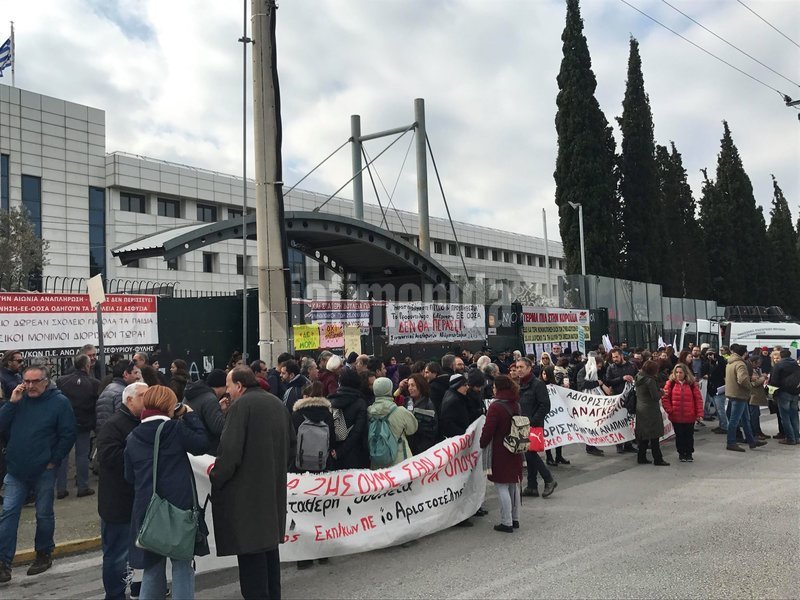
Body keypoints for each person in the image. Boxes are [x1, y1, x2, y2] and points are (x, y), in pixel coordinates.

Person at [210, 367, 293, 600]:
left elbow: (230, 453)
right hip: (272, 491)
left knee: (251, 562)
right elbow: (291, 445)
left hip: (246, 497)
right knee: (269, 555)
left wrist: (216, 476)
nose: (226, 391)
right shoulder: (276, 403)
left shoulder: (241, 407)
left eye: (228, 386)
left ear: (239, 385)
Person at [124, 385, 208, 600]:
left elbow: (129, 476)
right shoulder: (174, 429)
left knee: (152, 568)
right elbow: (201, 444)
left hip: (147, 510)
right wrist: (189, 415)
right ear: (170, 405)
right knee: (182, 566)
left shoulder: (133, 437)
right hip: (177, 508)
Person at [0, 366, 76, 582]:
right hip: (16, 469)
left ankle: (43, 553)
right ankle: (3, 562)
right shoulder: (18, 400)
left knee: (43, 514)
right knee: (9, 513)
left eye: (35, 381)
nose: (30, 386)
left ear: (46, 381)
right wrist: (11, 403)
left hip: (44, 469)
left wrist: (54, 459)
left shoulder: (59, 402)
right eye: (27, 381)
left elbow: (68, 433)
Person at [96, 381, 147, 600]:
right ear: (129, 400)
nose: (149, 399)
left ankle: (140, 588)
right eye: (144, 396)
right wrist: (138, 456)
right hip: (118, 504)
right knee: (117, 555)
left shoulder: (145, 422)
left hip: (139, 500)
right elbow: (108, 459)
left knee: (142, 551)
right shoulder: (113, 425)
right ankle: (115, 595)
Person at [479, 375, 523, 533]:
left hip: (500, 450)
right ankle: (515, 518)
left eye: (494, 386)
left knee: (501, 485)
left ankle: (506, 521)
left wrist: (482, 443)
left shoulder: (496, 406)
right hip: (514, 448)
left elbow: (489, 429)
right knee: (513, 483)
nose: (492, 389)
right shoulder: (515, 404)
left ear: (498, 388)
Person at [55, 353, 100, 499]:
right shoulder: (93, 383)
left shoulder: (62, 381)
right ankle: (83, 486)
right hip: (84, 423)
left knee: (62, 455)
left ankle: (60, 489)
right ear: (87, 366)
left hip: (64, 423)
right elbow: (96, 404)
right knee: (82, 456)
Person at [517, 358, 557, 499]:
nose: (519, 370)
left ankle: (548, 479)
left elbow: (545, 405)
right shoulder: (519, 384)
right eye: (517, 367)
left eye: (521, 367)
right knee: (529, 453)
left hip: (533, 424)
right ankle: (532, 486)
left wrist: (533, 421)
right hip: (522, 424)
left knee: (531, 453)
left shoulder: (538, 384)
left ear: (529, 368)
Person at [724, 344, 767, 452]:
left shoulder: (730, 363)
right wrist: (750, 387)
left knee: (745, 420)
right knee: (735, 420)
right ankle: (731, 442)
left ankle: (751, 441)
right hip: (739, 394)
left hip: (734, 393)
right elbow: (742, 380)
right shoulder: (740, 364)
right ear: (744, 353)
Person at [367, 377, 418, 468]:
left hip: (377, 463)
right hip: (400, 462)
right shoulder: (400, 411)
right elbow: (412, 429)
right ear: (389, 390)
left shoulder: (369, 411)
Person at [328, 368, 369, 470]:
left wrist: (334, 451)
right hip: (355, 455)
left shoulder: (330, 400)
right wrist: (341, 452)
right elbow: (357, 432)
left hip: (332, 455)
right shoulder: (360, 402)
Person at [662, 363, 703, 462]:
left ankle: (689, 453)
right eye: (676, 372)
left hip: (689, 415)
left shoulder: (692, 384)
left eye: (680, 372)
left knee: (689, 435)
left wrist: (699, 414)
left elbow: (698, 399)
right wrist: (670, 410)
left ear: (685, 373)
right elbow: (665, 398)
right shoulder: (670, 383)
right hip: (676, 415)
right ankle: (681, 453)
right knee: (679, 436)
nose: (678, 374)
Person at [182, 368, 228, 456]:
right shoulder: (210, 399)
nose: (228, 390)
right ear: (222, 385)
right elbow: (218, 428)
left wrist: (218, 409)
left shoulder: (191, 394)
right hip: (208, 451)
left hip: (190, 447)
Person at [633, 360, 667, 465]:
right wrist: (662, 392)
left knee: (644, 435)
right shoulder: (649, 380)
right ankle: (658, 459)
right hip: (651, 410)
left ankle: (641, 457)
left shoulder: (638, 376)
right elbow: (655, 397)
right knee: (654, 435)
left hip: (640, 408)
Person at [96, 360, 141, 432]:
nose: (138, 377)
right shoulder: (122, 393)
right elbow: (122, 420)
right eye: (135, 373)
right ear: (126, 374)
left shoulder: (108, 388)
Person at [768, 348, 800, 446]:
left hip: (783, 392)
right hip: (795, 392)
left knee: (785, 416)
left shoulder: (779, 365)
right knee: (794, 415)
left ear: (781, 356)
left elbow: (774, 381)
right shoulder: (796, 364)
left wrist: (771, 394)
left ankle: (790, 438)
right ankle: (797, 437)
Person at [402, 373, 438, 454]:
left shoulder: (428, 404)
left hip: (421, 450)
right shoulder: (408, 401)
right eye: (408, 386)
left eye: (413, 385)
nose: (410, 388)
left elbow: (432, 430)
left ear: (420, 386)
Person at [541, 365, 570, 466]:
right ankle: (549, 457)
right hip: (546, 414)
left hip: (556, 413)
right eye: (543, 374)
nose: (544, 376)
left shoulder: (554, 386)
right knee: (548, 435)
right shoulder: (539, 385)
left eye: (546, 374)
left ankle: (559, 456)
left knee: (558, 434)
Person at [747, 355, 768, 440]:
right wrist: (763, 377)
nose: (759, 365)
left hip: (757, 395)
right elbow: (754, 383)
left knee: (757, 414)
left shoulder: (756, 370)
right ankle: (755, 433)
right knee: (754, 416)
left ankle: (759, 431)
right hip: (753, 395)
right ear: (753, 362)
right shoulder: (750, 370)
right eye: (758, 363)